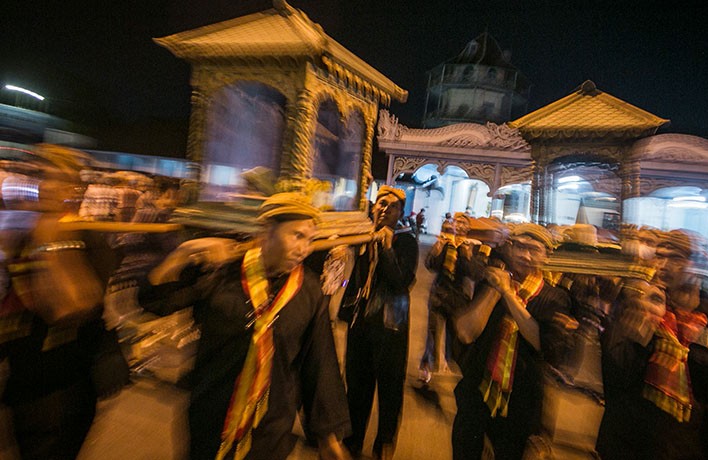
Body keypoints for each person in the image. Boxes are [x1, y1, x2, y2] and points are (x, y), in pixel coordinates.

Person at [140, 192, 351, 460]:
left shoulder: (309, 291)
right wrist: (184, 253)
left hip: (271, 428)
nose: (304, 249)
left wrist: (327, 437)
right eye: (297, 235)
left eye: (310, 240)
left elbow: (319, 362)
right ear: (267, 230)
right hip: (211, 419)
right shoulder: (221, 272)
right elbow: (156, 302)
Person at [0, 144, 129, 460]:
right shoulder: (21, 231)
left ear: (78, 189)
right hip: (20, 381)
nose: (46, 187)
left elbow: (68, 308)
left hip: (61, 393)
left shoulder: (90, 239)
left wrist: (50, 242)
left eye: (58, 179)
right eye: (41, 177)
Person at [596, 229, 708, 459]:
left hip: (695, 447)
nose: (664, 265)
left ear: (696, 265)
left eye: (675, 258)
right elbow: (613, 383)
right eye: (660, 256)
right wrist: (637, 340)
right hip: (636, 444)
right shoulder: (639, 308)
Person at [451, 223, 572, 460]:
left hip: (521, 405)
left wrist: (508, 294)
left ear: (546, 256)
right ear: (509, 249)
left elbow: (540, 343)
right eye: (520, 247)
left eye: (534, 250)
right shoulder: (492, 283)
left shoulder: (554, 298)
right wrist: (495, 291)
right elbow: (466, 333)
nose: (526, 256)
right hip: (478, 395)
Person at [341, 186, 418, 460]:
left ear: (400, 213)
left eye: (392, 206)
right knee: (356, 386)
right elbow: (350, 278)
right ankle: (352, 442)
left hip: (390, 326)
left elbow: (401, 282)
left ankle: (384, 444)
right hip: (360, 322)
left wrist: (386, 249)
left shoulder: (406, 242)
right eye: (381, 204)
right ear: (373, 207)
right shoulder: (362, 236)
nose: (384, 209)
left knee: (389, 387)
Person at [419, 212, 482, 382]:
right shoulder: (445, 243)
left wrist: (466, 255)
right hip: (440, 293)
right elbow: (430, 265)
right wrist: (439, 247)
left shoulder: (473, 247)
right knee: (433, 331)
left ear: (469, 228)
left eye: (463, 223)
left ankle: (447, 362)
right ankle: (427, 366)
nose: (460, 226)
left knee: (453, 333)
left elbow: (475, 273)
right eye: (457, 222)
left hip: (459, 297)